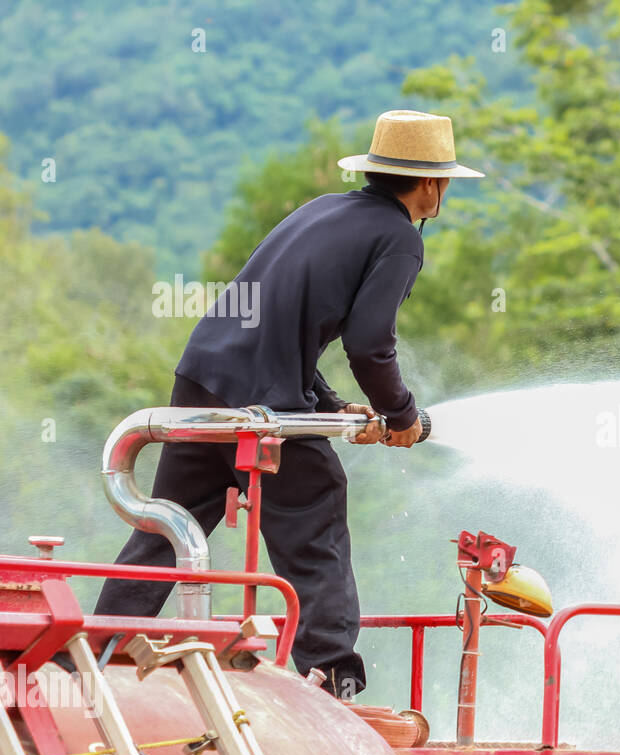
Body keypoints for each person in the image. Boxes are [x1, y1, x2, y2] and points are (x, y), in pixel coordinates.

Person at [94, 110, 484, 699]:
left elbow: (283, 322)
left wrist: (331, 407)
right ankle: (333, 679)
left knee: (167, 525)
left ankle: (97, 655)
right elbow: (369, 344)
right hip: (261, 400)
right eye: (446, 181)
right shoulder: (400, 238)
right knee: (316, 508)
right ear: (431, 184)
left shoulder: (323, 209)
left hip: (205, 373)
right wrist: (402, 416)